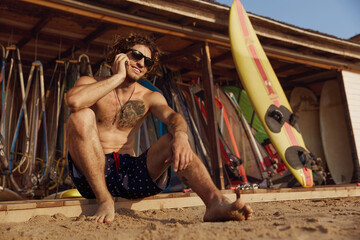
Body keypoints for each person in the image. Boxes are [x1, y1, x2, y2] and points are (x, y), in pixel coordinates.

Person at [65, 33, 253, 223]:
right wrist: (119, 76)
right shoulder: (90, 83)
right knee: (81, 115)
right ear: (119, 55)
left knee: (174, 139)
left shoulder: (149, 96)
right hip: (91, 176)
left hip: (129, 177)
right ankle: (104, 200)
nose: (141, 63)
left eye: (147, 62)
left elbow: (174, 117)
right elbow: (74, 102)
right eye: (136, 56)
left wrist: (180, 136)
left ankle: (215, 203)